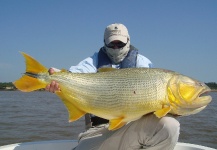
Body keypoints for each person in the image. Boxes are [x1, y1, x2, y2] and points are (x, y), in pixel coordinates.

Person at [45, 23, 180, 150]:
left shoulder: (143, 63)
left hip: (132, 129)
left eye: (120, 43)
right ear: (105, 43)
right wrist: (56, 78)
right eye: (112, 44)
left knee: (170, 126)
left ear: (128, 41)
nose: (116, 48)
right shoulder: (92, 61)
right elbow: (73, 74)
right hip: (97, 131)